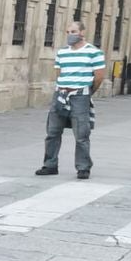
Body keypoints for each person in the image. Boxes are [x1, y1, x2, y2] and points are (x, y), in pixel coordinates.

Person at [36, 20, 104, 180]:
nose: (70, 35)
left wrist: (87, 92)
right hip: (61, 94)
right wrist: (63, 87)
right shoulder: (62, 52)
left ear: (82, 33)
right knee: (52, 131)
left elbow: (99, 76)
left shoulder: (94, 52)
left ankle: (83, 168)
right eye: (68, 32)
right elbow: (59, 72)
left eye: (73, 32)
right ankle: (50, 165)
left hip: (80, 95)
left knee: (81, 133)